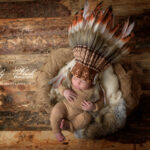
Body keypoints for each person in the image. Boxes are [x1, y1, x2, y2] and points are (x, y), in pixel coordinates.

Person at [50, 74, 104, 142]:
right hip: (65, 105)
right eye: (75, 78)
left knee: (87, 118)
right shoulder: (69, 81)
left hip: (79, 113)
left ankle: (69, 125)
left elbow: (102, 102)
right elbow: (60, 85)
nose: (78, 82)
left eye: (83, 81)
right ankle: (56, 131)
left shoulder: (95, 90)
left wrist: (94, 107)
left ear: (92, 81)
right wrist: (65, 91)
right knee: (56, 110)